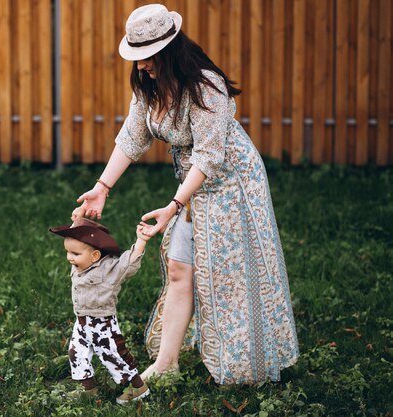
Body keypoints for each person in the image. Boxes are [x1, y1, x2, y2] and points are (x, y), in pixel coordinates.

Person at [75, 3, 299, 385]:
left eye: (147, 57)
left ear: (169, 50)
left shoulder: (206, 87)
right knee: (181, 266)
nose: (142, 65)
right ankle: (167, 365)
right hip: (192, 187)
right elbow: (133, 136)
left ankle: (246, 361)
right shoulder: (149, 85)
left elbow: (210, 157)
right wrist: (101, 188)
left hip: (231, 184)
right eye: (137, 57)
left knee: (227, 276)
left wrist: (175, 204)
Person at [49, 215, 153, 403]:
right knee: (76, 353)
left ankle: (138, 387)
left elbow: (127, 264)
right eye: (68, 252)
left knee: (113, 355)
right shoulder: (81, 264)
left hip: (102, 323)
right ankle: (88, 389)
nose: (69, 258)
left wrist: (141, 240)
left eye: (75, 254)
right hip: (81, 322)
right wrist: (79, 217)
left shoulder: (108, 269)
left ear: (95, 255)